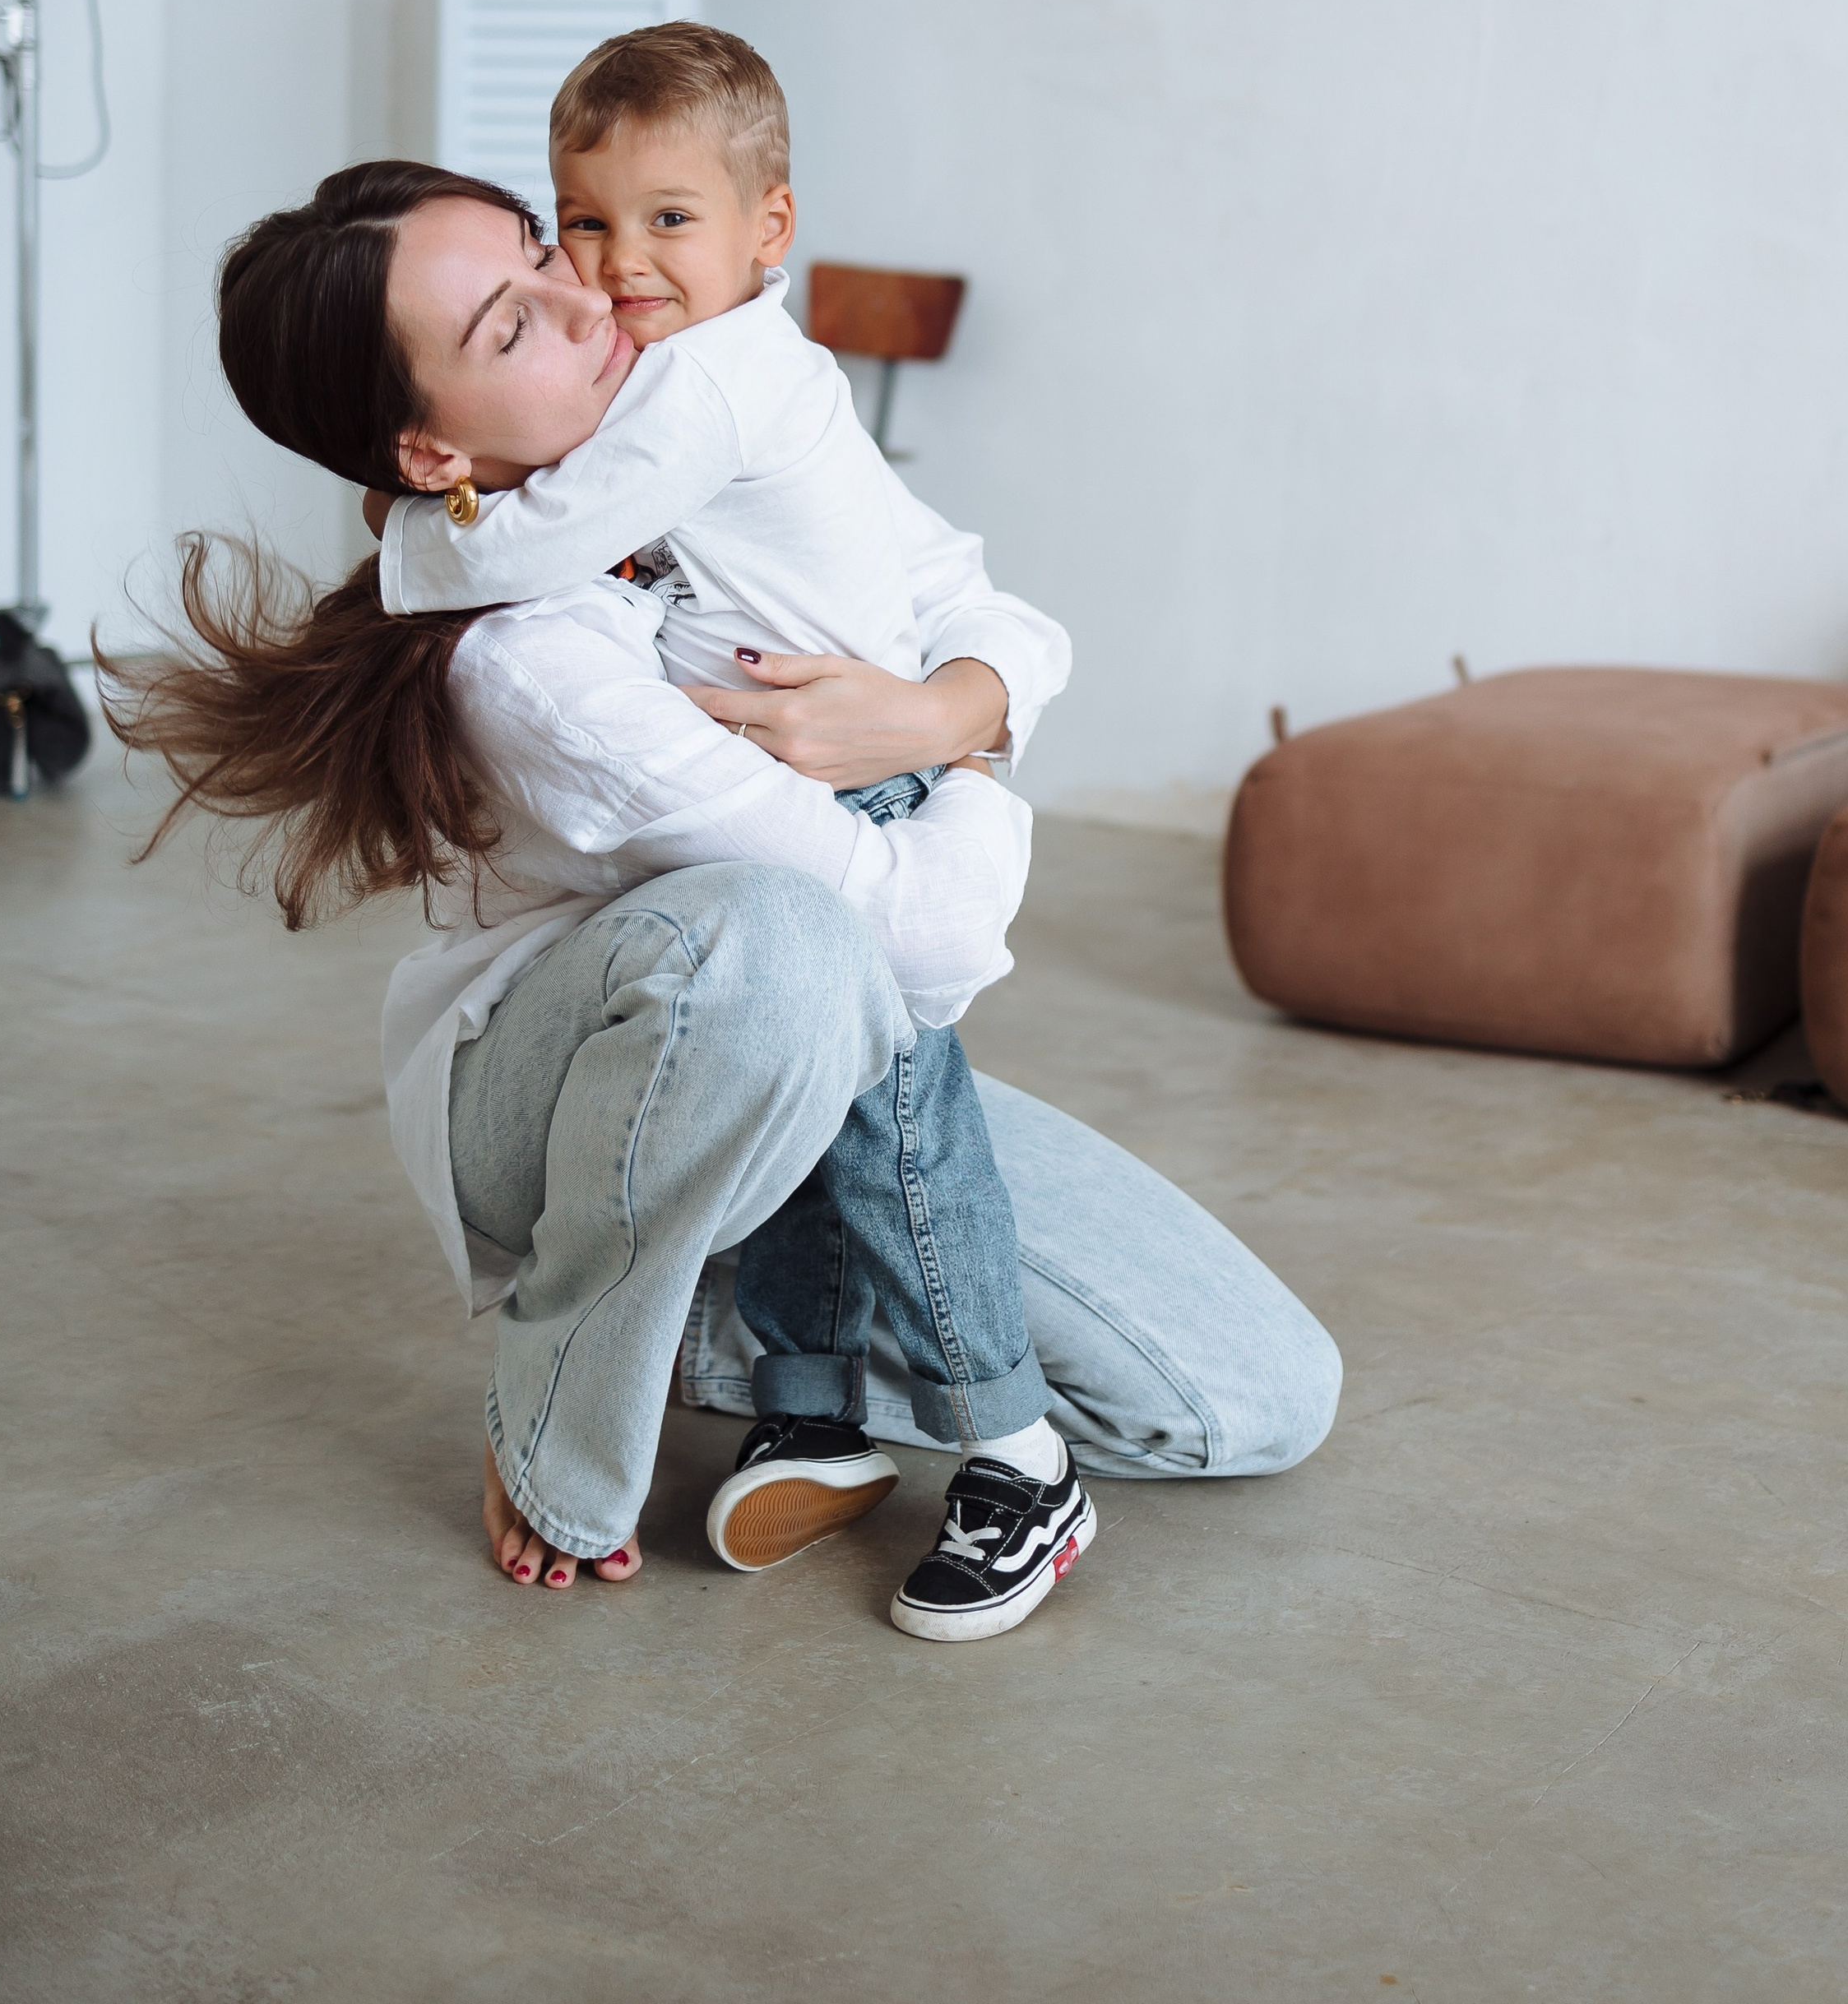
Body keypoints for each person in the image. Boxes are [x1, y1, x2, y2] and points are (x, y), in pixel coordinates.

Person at [100, 159, 1341, 1623]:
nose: (590, 294)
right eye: (512, 325)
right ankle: (579, 1362)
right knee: (784, 937)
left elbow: (976, 597)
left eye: (544, 245)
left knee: (1254, 1397)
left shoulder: (712, 401)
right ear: (432, 453)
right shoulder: (528, 662)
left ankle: (744, 1343)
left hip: (804, 1064)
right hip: (574, 1085)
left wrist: (939, 711)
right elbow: (927, 938)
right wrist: (969, 762)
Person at [376, 21, 1093, 1640]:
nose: (616, 266)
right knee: (836, 1098)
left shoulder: (707, 381)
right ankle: (819, 1408)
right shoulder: (677, 399)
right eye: (583, 223)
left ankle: (1018, 1447)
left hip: (877, 787)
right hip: (740, 880)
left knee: (892, 1130)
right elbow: (553, 556)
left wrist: (958, 733)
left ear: (771, 230)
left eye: (669, 221)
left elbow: (544, 534)